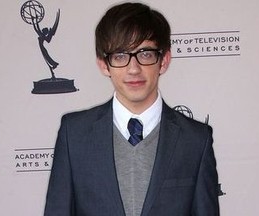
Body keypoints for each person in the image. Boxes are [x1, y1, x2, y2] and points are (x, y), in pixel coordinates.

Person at [44, 2, 219, 216]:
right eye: (120, 56)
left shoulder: (195, 140)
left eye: (145, 54)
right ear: (103, 64)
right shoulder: (74, 134)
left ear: (163, 61)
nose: (133, 69)